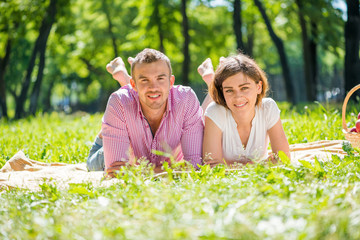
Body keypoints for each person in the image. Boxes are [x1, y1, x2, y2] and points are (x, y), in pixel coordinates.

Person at [88, 48, 204, 176]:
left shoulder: (186, 99)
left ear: (171, 82)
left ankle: (124, 77)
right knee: (94, 165)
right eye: (144, 80)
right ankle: (108, 129)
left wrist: (138, 171)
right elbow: (115, 172)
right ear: (133, 84)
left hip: (137, 148)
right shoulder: (119, 101)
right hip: (109, 147)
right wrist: (169, 171)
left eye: (160, 78)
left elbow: (194, 166)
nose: (153, 87)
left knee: (144, 97)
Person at [201, 53, 290, 167]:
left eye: (244, 88)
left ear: (258, 87)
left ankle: (214, 77)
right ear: (222, 92)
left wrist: (236, 167)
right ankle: (211, 80)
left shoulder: (268, 108)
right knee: (202, 114)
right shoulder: (215, 111)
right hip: (213, 112)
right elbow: (211, 165)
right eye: (229, 90)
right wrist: (258, 166)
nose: (238, 97)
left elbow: (284, 158)